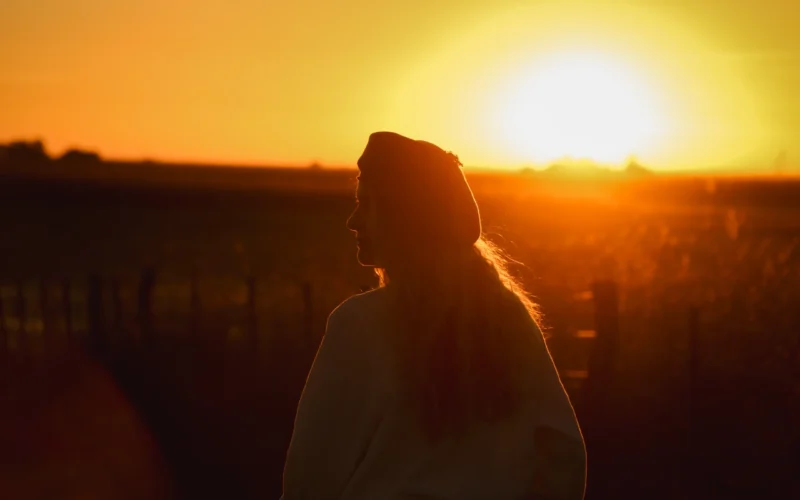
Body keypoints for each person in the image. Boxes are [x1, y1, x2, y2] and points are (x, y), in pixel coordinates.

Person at [281, 132, 586, 500]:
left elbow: (312, 472)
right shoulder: (509, 320)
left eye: (368, 204)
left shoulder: (360, 324)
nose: (353, 221)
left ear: (405, 217)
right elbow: (562, 456)